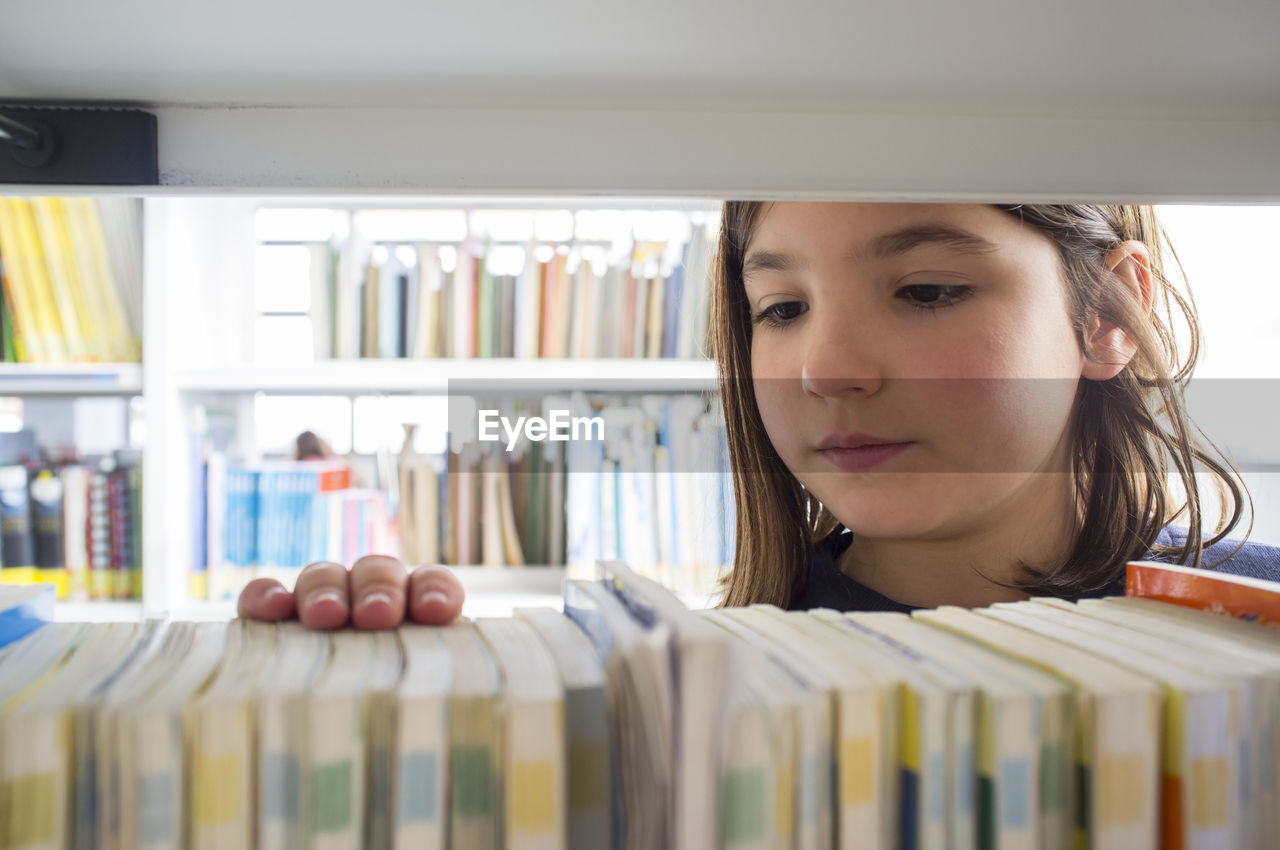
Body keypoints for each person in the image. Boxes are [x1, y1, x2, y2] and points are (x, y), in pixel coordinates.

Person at [238, 201, 1280, 629]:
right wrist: (381, 690)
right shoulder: (695, 683)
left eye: (923, 290)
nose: (824, 368)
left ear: (1104, 313)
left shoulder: (1249, 627)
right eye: (778, 308)